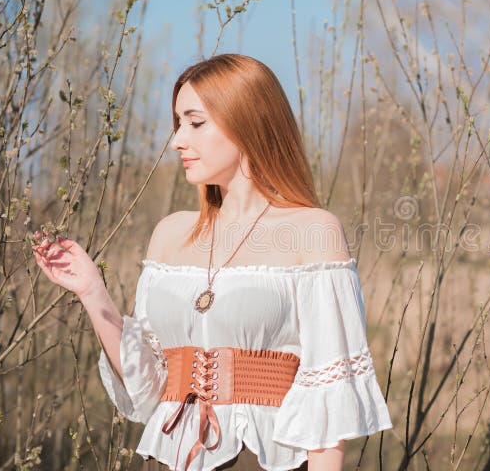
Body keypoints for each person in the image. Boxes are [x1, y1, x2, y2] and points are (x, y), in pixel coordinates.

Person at [31, 53, 393, 471]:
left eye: (195, 122)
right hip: (174, 457)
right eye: (178, 124)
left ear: (247, 122)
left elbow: (329, 406)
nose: (178, 140)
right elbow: (147, 383)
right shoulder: (171, 234)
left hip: (263, 460)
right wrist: (93, 293)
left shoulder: (313, 232)